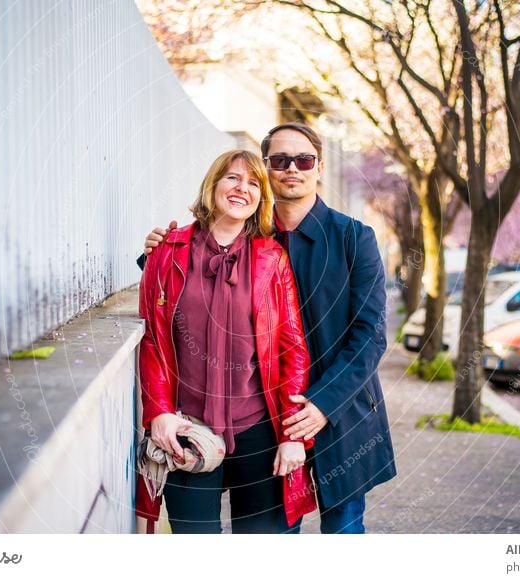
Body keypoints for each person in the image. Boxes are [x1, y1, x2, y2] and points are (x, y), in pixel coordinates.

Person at [144, 123, 397, 534]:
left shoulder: (354, 238)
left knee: (343, 533)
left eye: (304, 159)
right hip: (265, 415)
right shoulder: (249, 235)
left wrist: (320, 404)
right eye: (280, 160)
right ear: (266, 169)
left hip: (338, 412)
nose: (292, 168)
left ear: (319, 167)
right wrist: (155, 254)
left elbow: (371, 335)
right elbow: (188, 289)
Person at [136, 149, 316, 534]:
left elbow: (292, 349)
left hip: (259, 431)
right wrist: (159, 412)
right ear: (213, 185)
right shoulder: (168, 252)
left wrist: (291, 436)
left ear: (261, 199)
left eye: (254, 183)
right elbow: (151, 337)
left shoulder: (272, 258)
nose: (242, 188)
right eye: (233, 178)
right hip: (187, 429)